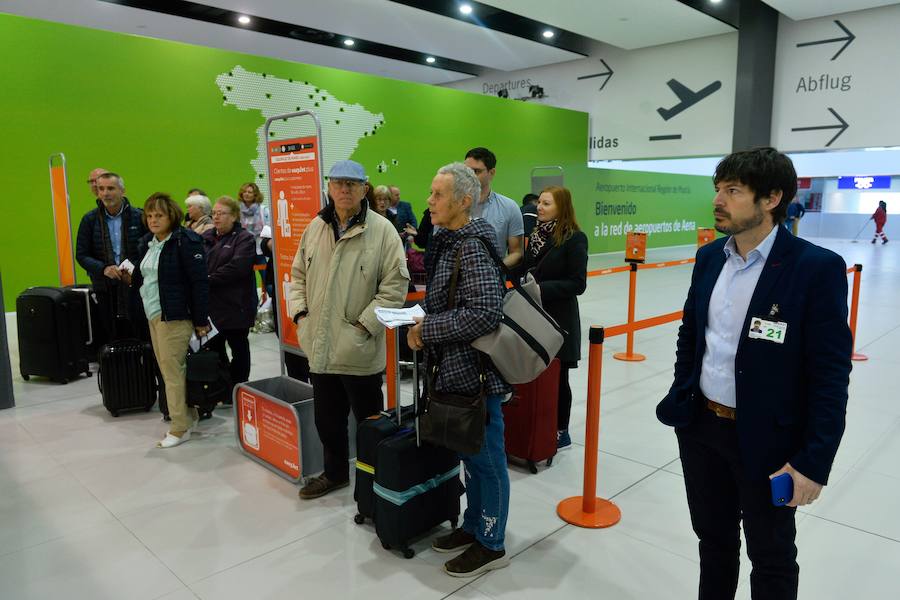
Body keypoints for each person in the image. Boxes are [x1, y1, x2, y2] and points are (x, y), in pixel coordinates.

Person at [656, 148, 852, 600]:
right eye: (718, 190)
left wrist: (813, 461)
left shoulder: (815, 269)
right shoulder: (710, 258)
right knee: (714, 541)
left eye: (733, 191)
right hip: (702, 429)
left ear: (772, 198)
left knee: (772, 555)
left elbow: (830, 375)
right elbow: (692, 334)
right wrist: (682, 393)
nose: (718, 200)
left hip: (772, 446)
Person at [407, 162, 510, 578]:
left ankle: (491, 540)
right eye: (431, 193)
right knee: (471, 456)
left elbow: (485, 313)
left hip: (476, 377)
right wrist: (412, 316)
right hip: (453, 372)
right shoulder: (450, 241)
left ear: (463, 201)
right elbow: (447, 298)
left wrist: (428, 328)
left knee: (487, 460)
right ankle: (472, 525)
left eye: (437, 195)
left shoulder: (472, 247)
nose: (429, 202)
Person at [288, 160, 408, 500]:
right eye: (339, 183)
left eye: (352, 184)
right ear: (328, 186)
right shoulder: (315, 228)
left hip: (359, 348)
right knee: (328, 421)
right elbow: (297, 277)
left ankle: (376, 483)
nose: (344, 189)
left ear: (364, 188)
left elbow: (394, 287)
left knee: (371, 424)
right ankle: (335, 474)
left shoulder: (382, 231)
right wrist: (301, 316)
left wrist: (363, 325)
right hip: (321, 347)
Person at [127, 193, 210, 448]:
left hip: (174, 316)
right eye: (149, 215)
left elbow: (199, 283)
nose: (153, 220)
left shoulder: (186, 241)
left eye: (159, 215)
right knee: (168, 371)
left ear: (171, 216)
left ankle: (178, 427)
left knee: (172, 373)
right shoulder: (148, 244)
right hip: (153, 313)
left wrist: (200, 319)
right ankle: (188, 416)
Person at [521, 186, 587, 450]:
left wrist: (541, 289)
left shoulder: (575, 238)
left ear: (562, 207)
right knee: (535, 373)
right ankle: (537, 425)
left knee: (559, 378)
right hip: (534, 316)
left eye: (546, 203)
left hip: (559, 320)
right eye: (539, 202)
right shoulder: (536, 234)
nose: (539, 207)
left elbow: (578, 283)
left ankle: (562, 430)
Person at [75, 172, 148, 343]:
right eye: (101, 189)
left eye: (110, 188)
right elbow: (82, 254)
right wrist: (103, 269)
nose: (106, 193)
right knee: (111, 335)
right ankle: (117, 369)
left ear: (122, 191)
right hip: (104, 287)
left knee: (138, 334)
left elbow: (149, 251)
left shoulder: (140, 217)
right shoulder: (89, 219)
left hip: (136, 286)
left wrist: (133, 269)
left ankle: (140, 369)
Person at [203, 195, 258, 389]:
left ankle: (240, 386)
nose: (216, 217)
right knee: (215, 348)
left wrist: (207, 279)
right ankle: (224, 387)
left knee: (239, 348)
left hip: (237, 305)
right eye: (214, 213)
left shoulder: (245, 238)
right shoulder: (206, 237)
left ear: (234, 216)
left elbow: (238, 267)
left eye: (222, 213)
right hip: (211, 306)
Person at [463, 147, 524, 268]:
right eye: (466, 171)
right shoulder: (451, 205)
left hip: (493, 282)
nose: (469, 176)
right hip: (456, 280)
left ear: (491, 173)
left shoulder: (509, 207)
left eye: (476, 171)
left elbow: (516, 252)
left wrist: (494, 269)